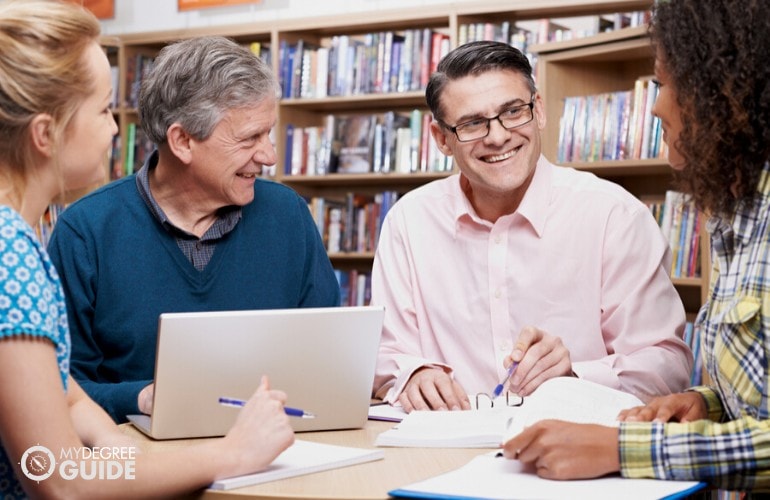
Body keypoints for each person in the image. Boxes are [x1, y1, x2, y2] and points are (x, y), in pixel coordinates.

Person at [0, 1, 295, 497]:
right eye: (101, 110)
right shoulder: (11, 257)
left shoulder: (18, 242)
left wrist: (124, 449)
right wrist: (230, 454)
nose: (117, 129)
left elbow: (66, 398)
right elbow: (61, 480)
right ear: (46, 135)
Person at [503, 0, 770, 492]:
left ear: (726, 91)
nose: (654, 106)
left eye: (665, 83)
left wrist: (619, 449)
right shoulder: (737, 215)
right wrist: (706, 403)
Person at [370, 39, 694, 412]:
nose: (498, 136)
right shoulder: (408, 222)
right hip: (443, 447)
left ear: (538, 110)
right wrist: (412, 374)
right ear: (442, 138)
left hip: (576, 449)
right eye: (473, 123)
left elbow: (667, 368)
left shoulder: (614, 217)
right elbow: (382, 352)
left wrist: (574, 376)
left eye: (512, 112)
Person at [46, 36, 341, 422]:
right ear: (182, 141)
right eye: (250, 138)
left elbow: (329, 360)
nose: (269, 155)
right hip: (137, 466)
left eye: (269, 134)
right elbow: (58, 388)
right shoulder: (85, 233)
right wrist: (143, 398)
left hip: (280, 449)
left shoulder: (288, 216)